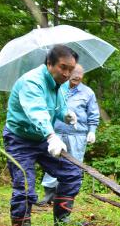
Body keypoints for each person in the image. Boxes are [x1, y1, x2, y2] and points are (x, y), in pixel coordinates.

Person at [4, 45, 83, 226]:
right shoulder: (32, 82)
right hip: (20, 140)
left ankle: (62, 223)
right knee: (25, 188)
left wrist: (65, 114)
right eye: (62, 67)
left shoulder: (61, 83)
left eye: (70, 69)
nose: (66, 74)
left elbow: (56, 107)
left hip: (42, 138)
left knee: (72, 173)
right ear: (49, 64)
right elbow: (37, 111)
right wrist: (51, 136)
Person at [38, 64, 99, 205]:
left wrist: (92, 131)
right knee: (52, 163)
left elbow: (93, 114)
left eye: (81, 73)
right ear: (67, 73)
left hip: (78, 136)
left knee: (74, 165)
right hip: (56, 134)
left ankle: (66, 198)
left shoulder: (88, 92)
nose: (78, 76)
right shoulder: (57, 88)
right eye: (75, 73)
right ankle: (49, 196)